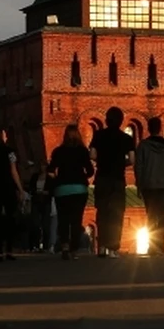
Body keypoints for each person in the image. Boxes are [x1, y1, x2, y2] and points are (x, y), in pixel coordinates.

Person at [90, 106, 135, 258]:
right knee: (117, 213)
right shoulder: (126, 138)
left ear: (106, 120)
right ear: (121, 121)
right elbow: (132, 160)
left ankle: (102, 246)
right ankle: (114, 248)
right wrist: (122, 164)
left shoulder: (98, 135)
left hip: (102, 178)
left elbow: (92, 154)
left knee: (102, 212)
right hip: (117, 180)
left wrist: (102, 160)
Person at [47, 124, 94, 261]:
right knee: (76, 219)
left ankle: (65, 247)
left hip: (62, 189)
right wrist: (82, 177)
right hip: (79, 189)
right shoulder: (82, 151)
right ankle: (74, 250)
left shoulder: (58, 151)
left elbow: (50, 170)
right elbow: (90, 171)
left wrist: (57, 178)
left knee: (63, 219)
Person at [135, 117, 164, 256]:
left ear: (148, 128)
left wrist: (139, 184)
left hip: (149, 185)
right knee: (162, 217)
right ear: (160, 128)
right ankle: (160, 246)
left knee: (151, 216)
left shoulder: (143, 146)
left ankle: (152, 246)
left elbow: (139, 166)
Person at [0, 126, 26, 262]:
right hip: (8, 187)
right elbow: (13, 170)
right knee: (10, 218)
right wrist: (20, 188)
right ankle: (9, 250)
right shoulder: (10, 152)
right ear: (2, 137)